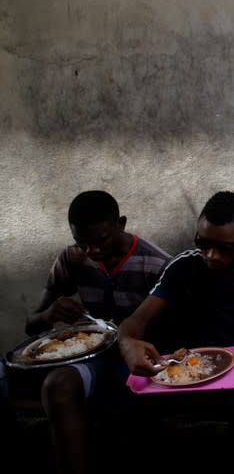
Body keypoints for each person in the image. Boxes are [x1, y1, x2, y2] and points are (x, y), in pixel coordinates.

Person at [118, 190, 234, 468]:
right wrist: (127, 342)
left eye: (226, 247)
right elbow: (136, 321)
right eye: (203, 243)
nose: (211, 255)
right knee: (127, 400)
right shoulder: (183, 266)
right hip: (189, 370)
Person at [11, 190, 171, 474]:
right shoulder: (72, 259)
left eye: (100, 241)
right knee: (56, 385)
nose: (92, 252)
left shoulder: (156, 264)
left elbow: (176, 330)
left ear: (121, 224)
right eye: (81, 243)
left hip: (141, 357)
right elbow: (31, 324)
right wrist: (49, 315)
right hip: (92, 355)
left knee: (122, 398)